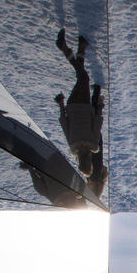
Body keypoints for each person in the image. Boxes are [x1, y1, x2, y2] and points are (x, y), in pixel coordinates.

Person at [54, 28, 105, 180]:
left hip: (84, 106)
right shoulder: (73, 147)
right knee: (81, 77)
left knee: (83, 78)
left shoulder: (93, 145)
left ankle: (64, 48)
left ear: (90, 161)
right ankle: (81, 47)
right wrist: (61, 104)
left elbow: (97, 123)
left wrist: (99, 108)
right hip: (72, 106)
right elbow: (64, 122)